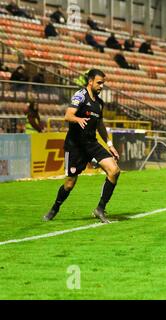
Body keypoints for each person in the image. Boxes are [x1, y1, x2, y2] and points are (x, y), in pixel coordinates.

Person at [43, 69, 120, 223]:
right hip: (75, 145)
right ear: (90, 81)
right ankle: (55, 208)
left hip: (91, 143)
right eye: (99, 82)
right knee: (70, 183)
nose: (101, 86)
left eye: (103, 83)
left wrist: (110, 144)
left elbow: (100, 125)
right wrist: (77, 119)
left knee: (114, 171)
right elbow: (68, 115)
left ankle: (100, 209)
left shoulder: (99, 103)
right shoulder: (80, 95)